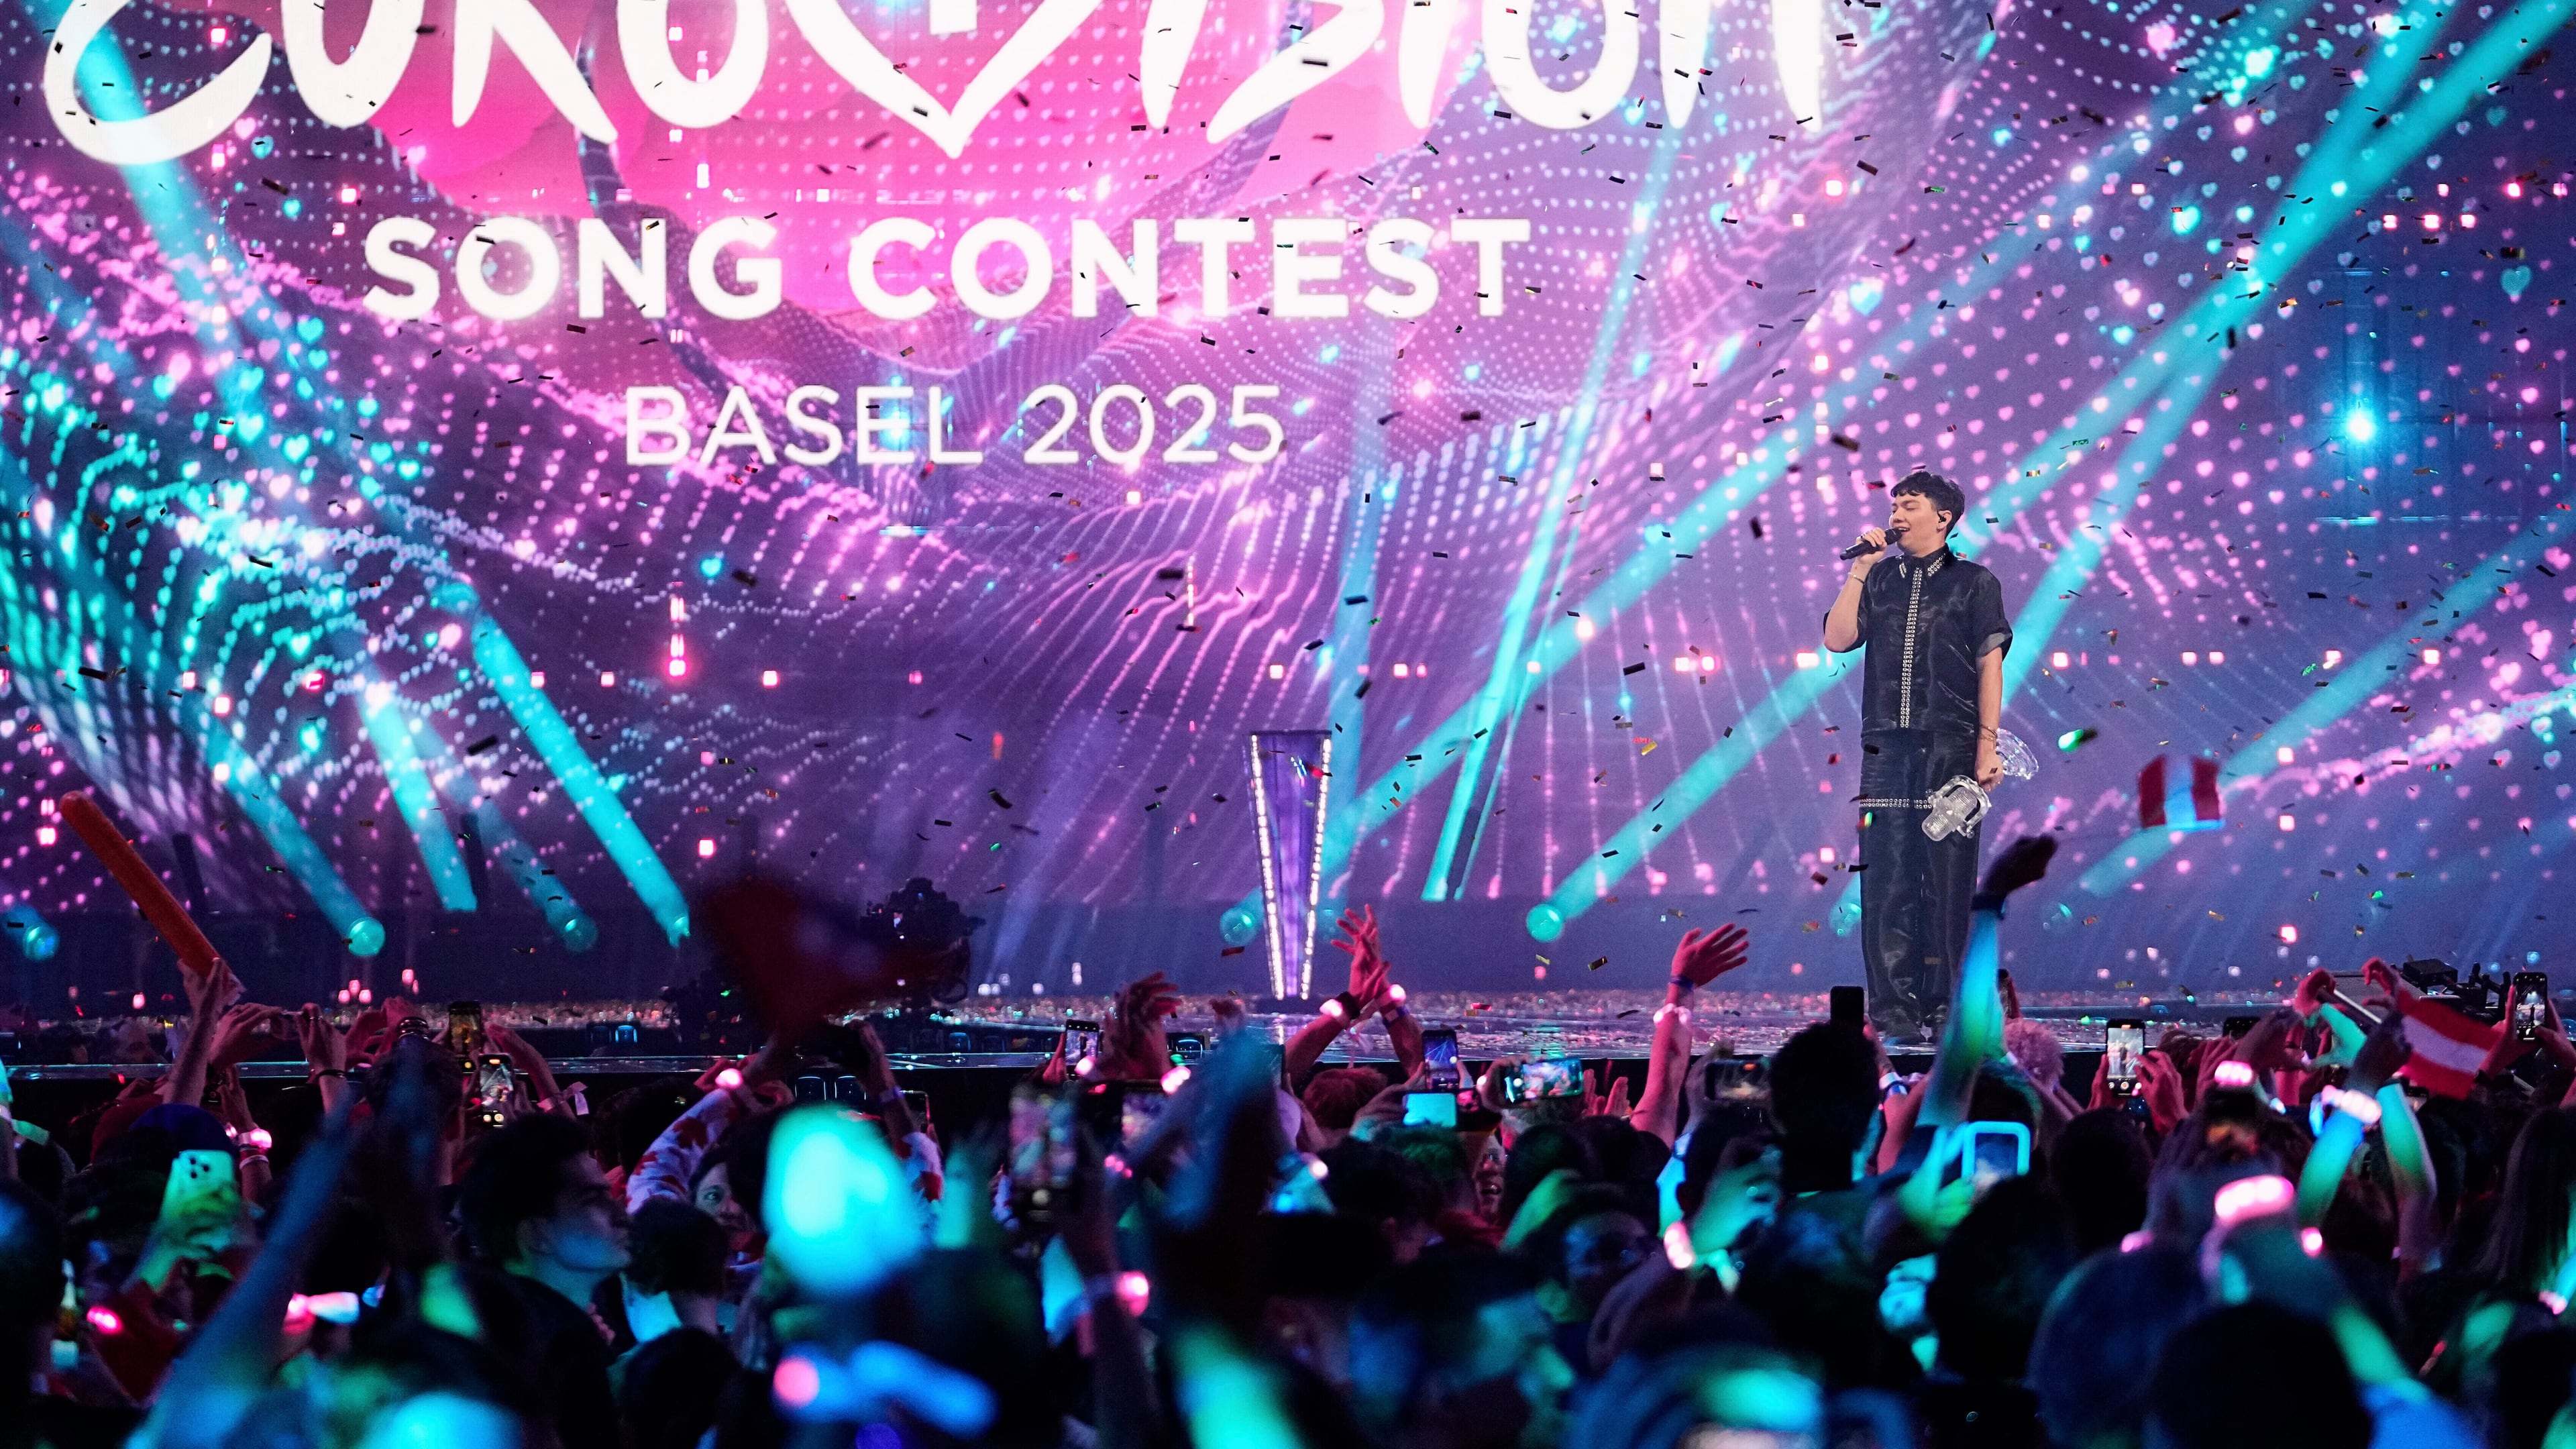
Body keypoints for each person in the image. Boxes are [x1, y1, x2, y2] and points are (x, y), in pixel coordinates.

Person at [1821, 468, 2016, 1041]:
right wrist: (1860, 568)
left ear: (1944, 517)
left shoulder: (1975, 583)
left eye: (1910, 505)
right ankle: (1894, 1009)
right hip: (1885, 745)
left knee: (1946, 879)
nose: (1897, 515)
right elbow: (1836, 639)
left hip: (1950, 743)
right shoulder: (1879, 578)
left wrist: (1986, 743)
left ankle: (1945, 1004)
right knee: (1886, 878)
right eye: (1895, 506)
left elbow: (1990, 666)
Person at [459, 1114, 630, 1449]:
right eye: (593, 1199)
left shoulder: (490, 1326)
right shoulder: (562, 1346)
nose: (620, 1214)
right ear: (536, 1234)